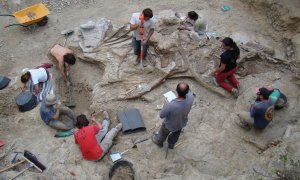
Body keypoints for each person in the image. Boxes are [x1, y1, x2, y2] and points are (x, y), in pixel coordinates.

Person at [152, 83, 194, 149]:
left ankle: (159, 142)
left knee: (163, 133)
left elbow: (161, 115)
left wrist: (165, 104)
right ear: (188, 91)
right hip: (181, 122)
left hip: (169, 124)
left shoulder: (171, 105)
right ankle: (171, 144)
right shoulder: (191, 97)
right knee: (176, 134)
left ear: (176, 91)